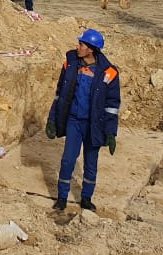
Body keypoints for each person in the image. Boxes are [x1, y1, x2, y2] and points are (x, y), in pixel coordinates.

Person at [45, 28, 120, 213]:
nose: (77, 47)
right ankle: (62, 197)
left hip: (94, 124)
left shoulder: (109, 72)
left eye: (81, 44)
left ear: (91, 49)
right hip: (74, 122)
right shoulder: (70, 65)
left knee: (91, 163)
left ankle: (86, 198)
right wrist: (52, 119)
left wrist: (110, 132)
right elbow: (59, 95)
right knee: (68, 160)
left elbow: (112, 105)